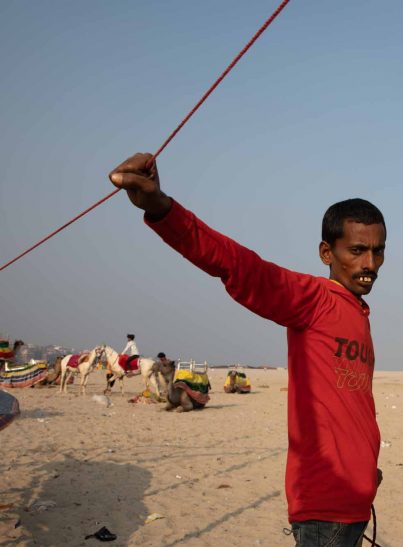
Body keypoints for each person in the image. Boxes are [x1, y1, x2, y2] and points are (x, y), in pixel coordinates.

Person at [109, 153, 386, 547]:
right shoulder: (314, 299)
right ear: (327, 253)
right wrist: (161, 209)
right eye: (357, 250)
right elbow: (238, 265)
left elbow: (352, 407)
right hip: (325, 506)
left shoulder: (358, 312)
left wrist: (365, 471)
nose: (369, 263)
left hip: (357, 499)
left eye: (378, 251)